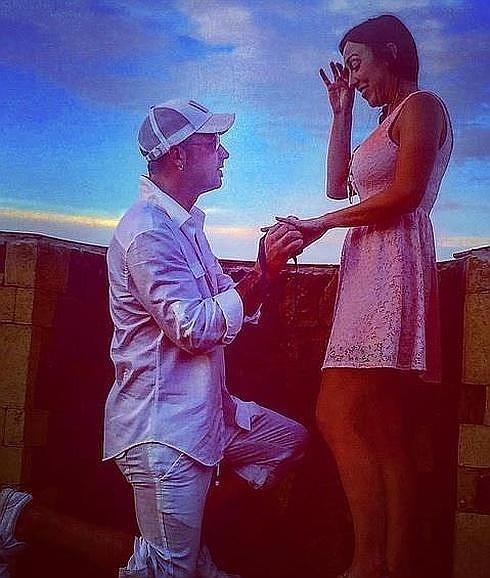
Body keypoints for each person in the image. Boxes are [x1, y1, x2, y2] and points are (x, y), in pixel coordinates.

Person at [277, 15, 453, 578]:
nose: (351, 78)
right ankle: (396, 564)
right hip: (367, 267)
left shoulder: (422, 106)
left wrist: (320, 225)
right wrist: (341, 113)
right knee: (384, 429)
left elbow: (406, 195)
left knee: (335, 412)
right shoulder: (381, 120)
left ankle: (367, 563)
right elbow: (337, 186)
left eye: (356, 66)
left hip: (391, 264)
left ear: (391, 53)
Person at [103, 98, 308, 578]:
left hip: (205, 417)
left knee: (289, 442)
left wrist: (263, 271)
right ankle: (22, 519)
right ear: (178, 155)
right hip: (164, 431)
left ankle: (187, 541)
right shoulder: (148, 233)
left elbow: (229, 303)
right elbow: (194, 329)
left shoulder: (184, 226)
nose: (224, 153)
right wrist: (263, 272)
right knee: (166, 572)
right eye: (213, 143)